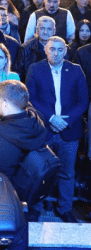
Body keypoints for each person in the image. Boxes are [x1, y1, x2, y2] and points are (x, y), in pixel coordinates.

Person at [25, 36, 89, 223]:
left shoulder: (75, 70)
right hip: (44, 129)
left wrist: (65, 121)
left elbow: (83, 101)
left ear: (65, 51)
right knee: (40, 172)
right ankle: (35, 208)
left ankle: (65, 209)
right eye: (52, 49)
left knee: (67, 173)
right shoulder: (35, 69)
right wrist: (52, 118)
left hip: (69, 131)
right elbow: (30, 98)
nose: (56, 53)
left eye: (60, 49)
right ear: (45, 49)